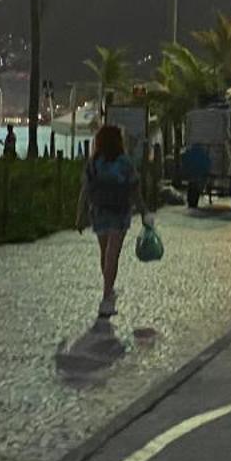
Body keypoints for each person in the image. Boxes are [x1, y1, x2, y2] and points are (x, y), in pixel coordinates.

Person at [78, 123, 146, 319]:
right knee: (112, 254)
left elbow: (85, 190)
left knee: (105, 252)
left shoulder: (94, 162)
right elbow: (135, 189)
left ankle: (108, 291)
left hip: (99, 211)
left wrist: (80, 214)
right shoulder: (125, 162)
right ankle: (107, 296)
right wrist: (143, 211)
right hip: (120, 212)